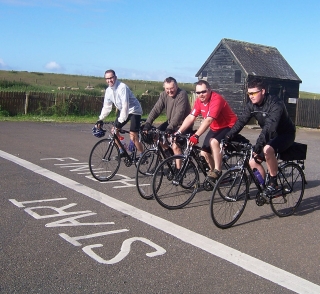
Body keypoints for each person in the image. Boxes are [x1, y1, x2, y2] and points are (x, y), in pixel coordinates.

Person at [224, 77, 296, 196]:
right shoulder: (252, 105)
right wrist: (228, 136)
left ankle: (273, 183)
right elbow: (241, 121)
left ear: (263, 91)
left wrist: (258, 147)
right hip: (271, 135)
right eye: (249, 93)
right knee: (252, 162)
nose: (251, 96)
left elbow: (269, 128)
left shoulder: (276, 103)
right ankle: (263, 189)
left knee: (267, 149)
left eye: (253, 93)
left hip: (285, 134)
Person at [176, 80, 237, 184]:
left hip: (229, 126)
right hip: (215, 128)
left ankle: (218, 170)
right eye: (198, 93)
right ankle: (213, 175)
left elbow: (208, 120)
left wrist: (196, 135)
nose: (201, 95)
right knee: (204, 153)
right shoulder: (199, 101)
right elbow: (191, 117)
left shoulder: (216, 99)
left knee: (214, 141)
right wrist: (178, 131)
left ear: (209, 90)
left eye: (203, 92)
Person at [96, 69, 144, 158]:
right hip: (123, 110)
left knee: (133, 136)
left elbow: (125, 105)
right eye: (107, 78)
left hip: (134, 110)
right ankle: (122, 150)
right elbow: (106, 107)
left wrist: (120, 121)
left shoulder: (122, 87)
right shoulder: (108, 91)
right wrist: (100, 119)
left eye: (111, 78)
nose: (109, 80)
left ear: (115, 77)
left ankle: (142, 154)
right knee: (114, 131)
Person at [143, 77, 191, 156]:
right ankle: (170, 155)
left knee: (176, 146)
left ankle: (178, 167)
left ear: (176, 86)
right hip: (170, 122)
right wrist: (148, 123)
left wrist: (170, 128)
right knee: (156, 136)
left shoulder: (182, 94)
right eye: (167, 89)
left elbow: (179, 113)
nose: (169, 91)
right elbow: (156, 110)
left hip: (183, 124)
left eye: (172, 88)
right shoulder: (163, 95)